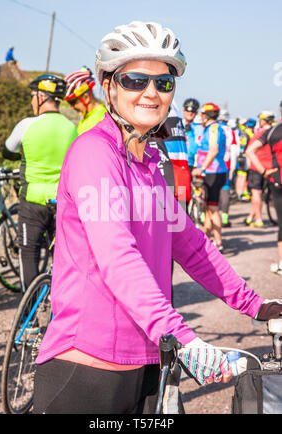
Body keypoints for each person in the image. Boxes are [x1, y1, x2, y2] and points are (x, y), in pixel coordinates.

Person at [32, 21, 282, 415]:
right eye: (134, 80)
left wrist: (256, 305)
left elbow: (193, 247)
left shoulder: (148, 161)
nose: (150, 92)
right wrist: (183, 337)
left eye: (163, 83)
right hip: (89, 372)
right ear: (108, 85)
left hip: (151, 362)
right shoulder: (95, 154)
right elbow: (117, 258)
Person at [3, 74, 78, 291]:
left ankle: (32, 317)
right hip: (61, 201)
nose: (30, 100)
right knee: (61, 258)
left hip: (33, 200)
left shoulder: (27, 124)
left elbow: (8, 150)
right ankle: (59, 312)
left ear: (41, 96)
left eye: (32, 96)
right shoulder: (71, 128)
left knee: (29, 253)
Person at [246, 118, 282, 275]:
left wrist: (263, 171)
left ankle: (281, 263)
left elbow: (249, 151)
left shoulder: (273, 131)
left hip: (277, 179)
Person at [191, 103, 227, 252]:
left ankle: (218, 242)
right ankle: (208, 238)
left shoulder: (213, 128)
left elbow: (213, 150)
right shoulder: (215, 127)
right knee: (207, 208)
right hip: (214, 171)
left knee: (213, 208)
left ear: (205, 115)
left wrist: (201, 168)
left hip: (213, 172)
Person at [244, 111, 275, 227]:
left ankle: (258, 219)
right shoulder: (275, 133)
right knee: (260, 194)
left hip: (256, 167)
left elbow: (249, 151)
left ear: (262, 121)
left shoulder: (258, 134)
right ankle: (251, 216)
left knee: (256, 193)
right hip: (269, 167)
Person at [64, 66, 107, 135]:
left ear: (86, 98)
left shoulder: (101, 118)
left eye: (72, 102)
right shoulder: (88, 117)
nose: (71, 107)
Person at [235, 118, 256, 201]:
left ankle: (240, 193)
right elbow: (242, 146)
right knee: (242, 176)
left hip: (243, 156)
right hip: (245, 157)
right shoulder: (250, 134)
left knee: (241, 175)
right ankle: (241, 194)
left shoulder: (245, 133)